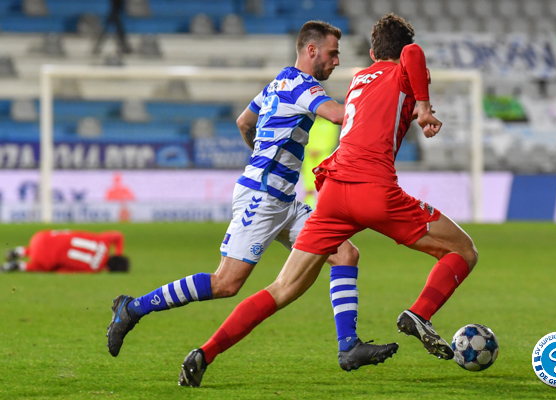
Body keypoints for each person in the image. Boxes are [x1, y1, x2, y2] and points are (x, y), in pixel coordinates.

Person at [178, 13, 479, 388]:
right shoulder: (405, 70)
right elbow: (414, 54)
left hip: (334, 192)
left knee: (283, 288)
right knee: (463, 251)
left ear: (372, 53)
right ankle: (420, 313)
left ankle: (205, 353)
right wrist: (424, 106)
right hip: (375, 189)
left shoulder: (358, 80)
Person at [106, 20, 398, 372]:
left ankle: (348, 346)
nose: (336, 61)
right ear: (311, 50)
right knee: (226, 283)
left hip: (283, 199)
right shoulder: (302, 86)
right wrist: (381, 96)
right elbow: (338, 116)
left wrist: (262, 154)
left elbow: (245, 121)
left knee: (345, 253)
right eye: (332, 53)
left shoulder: (279, 82)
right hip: (262, 197)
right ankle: (132, 308)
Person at [2, 229, 129, 273]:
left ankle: (19, 251)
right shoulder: (93, 269)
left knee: (53, 243)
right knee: (47, 263)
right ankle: (20, 266)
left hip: (40, 237)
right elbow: (64, 271)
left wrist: (119, 254)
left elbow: (118, 236)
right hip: (44, 260)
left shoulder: (104, 242)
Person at [301, 116, 339, 209]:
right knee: (309, 186)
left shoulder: (331, 124)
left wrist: (320, 151)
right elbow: (303, 137)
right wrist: (309, 149)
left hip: (323, 157)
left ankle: (323, 208)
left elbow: (332, 141)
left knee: (324, 184)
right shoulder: (308, 123)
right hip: (309, 157)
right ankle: (308, 208)